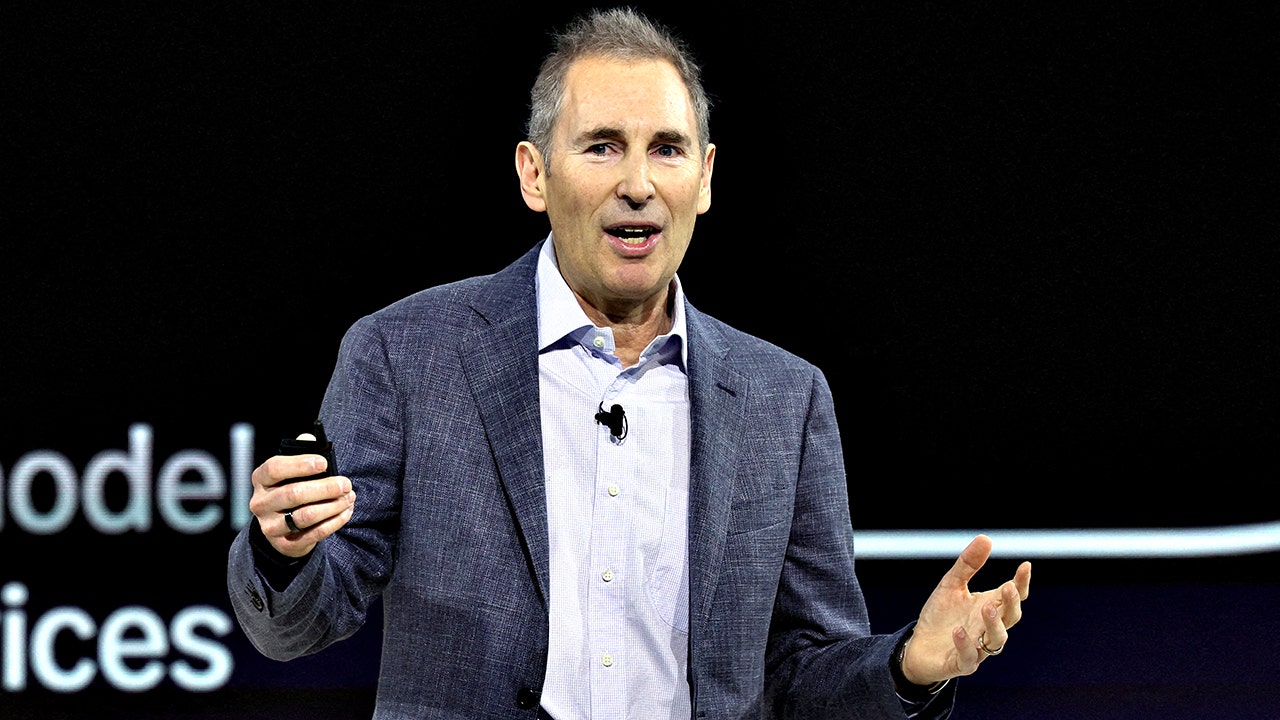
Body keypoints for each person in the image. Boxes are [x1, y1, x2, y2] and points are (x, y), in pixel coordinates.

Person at [227, 7, 1032, 719]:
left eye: (667, 149)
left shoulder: (784, 400)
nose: (638, 184)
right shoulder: (408, 354)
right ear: (534, 174)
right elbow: (298, 623)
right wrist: (283, 551)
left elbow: (804, 673)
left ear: (704, 178)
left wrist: (909, 667)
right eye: (603, 146)